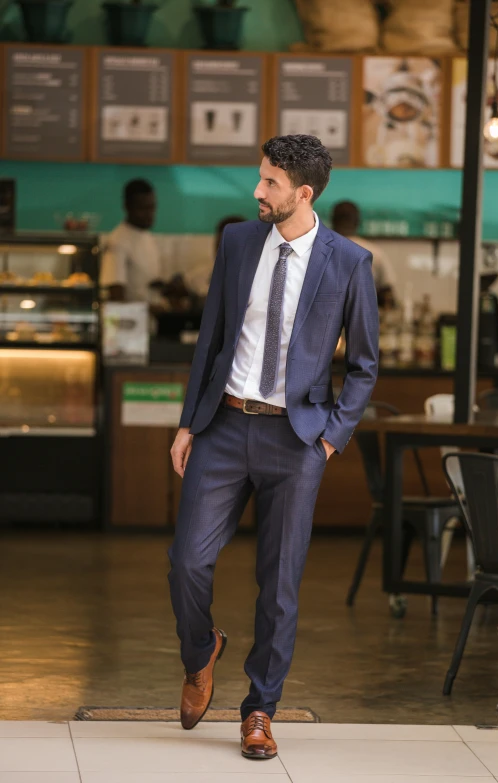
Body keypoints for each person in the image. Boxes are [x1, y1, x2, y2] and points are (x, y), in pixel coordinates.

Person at [168, 136, 379, 760]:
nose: (257, 192)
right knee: (186, 561)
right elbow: (210, 339)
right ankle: (199, 651)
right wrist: (187, 422)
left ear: (302, 194)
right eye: (259, 180)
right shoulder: (236, 241)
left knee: (280, 584)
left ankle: (259, 709)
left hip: (298, 438)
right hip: (225, 427)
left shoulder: (350, 263)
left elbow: (365, 366)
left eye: (269, 184)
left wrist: (332, 438)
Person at [100, 179, 161, 302]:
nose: (149, 214)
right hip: (131, 319)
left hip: (149, 319)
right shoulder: (118, 241)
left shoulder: (146, 236)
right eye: (143, 208)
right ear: (127, 207)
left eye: (152, 207)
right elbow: (115, 291)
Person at [331, 200, 396, 303]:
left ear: (333, 221)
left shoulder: (316, 252)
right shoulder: (374, 253)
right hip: (363, 314)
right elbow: (387, 294)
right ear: (358, 222)